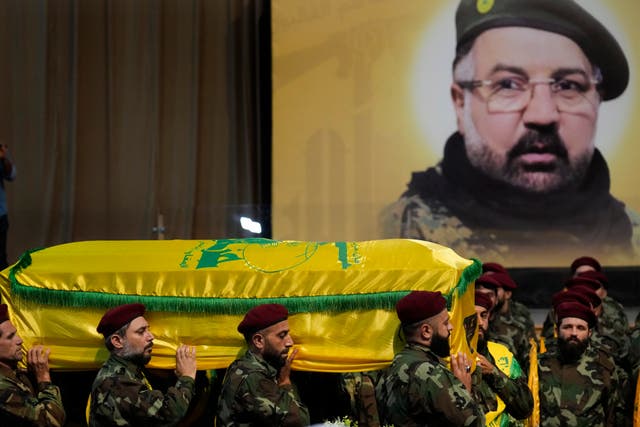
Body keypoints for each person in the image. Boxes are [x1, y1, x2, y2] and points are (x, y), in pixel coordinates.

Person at [381, 0, 640, 265]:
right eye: (508, 84)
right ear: (461, 104)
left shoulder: (632, 238)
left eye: (568, 85)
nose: (543, 115)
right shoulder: (398, 240)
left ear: (597, 100)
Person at [375, 290, 483, 427]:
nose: (451, 327)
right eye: (445, 323)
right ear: (426, 331)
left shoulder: (392, 366)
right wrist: (464, 390)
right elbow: (474, 423)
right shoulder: (431, 373)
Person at [89, 303, 197, 426]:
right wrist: (187, 376)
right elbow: (168, 413)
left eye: (148, 329)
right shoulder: (117, 382)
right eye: (141, 332)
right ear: (118, 341)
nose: (151, 336)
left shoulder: (128, 369)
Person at [216, 303, 310, 426]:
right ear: (259, 341)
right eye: (282, 335)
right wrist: (285, 382)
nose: (290, 342)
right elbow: (300, 421)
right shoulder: (253, 377)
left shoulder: (242, 365)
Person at [537, 298, 627, 426]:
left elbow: (614, 414)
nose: (574, 333)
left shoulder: (604, 367)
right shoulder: (539, 364)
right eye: (568, 327)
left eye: (580, 328)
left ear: (589, 333)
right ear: (557, 331)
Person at [472, 291, 533, 426]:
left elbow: (525, 407)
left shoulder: (501, 353)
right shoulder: (449, 358)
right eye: (472, 317)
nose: (480, 323)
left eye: (484, 316)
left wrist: (493, 372)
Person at [0, 303, 66, 426]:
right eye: (10, 337)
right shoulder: (2, 388)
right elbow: (52, 422)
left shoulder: (12, 370)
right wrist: (43, 378)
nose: (20, 340)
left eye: (16, 333)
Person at [0, 143, 16, 270]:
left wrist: (4, 157)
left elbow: (11, 175)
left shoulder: (2, 157)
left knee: (1, 257)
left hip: (0, 215)